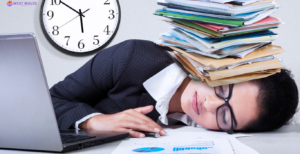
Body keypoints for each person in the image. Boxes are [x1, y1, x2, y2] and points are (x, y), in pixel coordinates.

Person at [50, 39, 299, 138]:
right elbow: (50, 100)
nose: (208, 105)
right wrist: (94, 122)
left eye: (225, 116)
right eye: (223, 89)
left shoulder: (203, 131)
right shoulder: (131, 57)